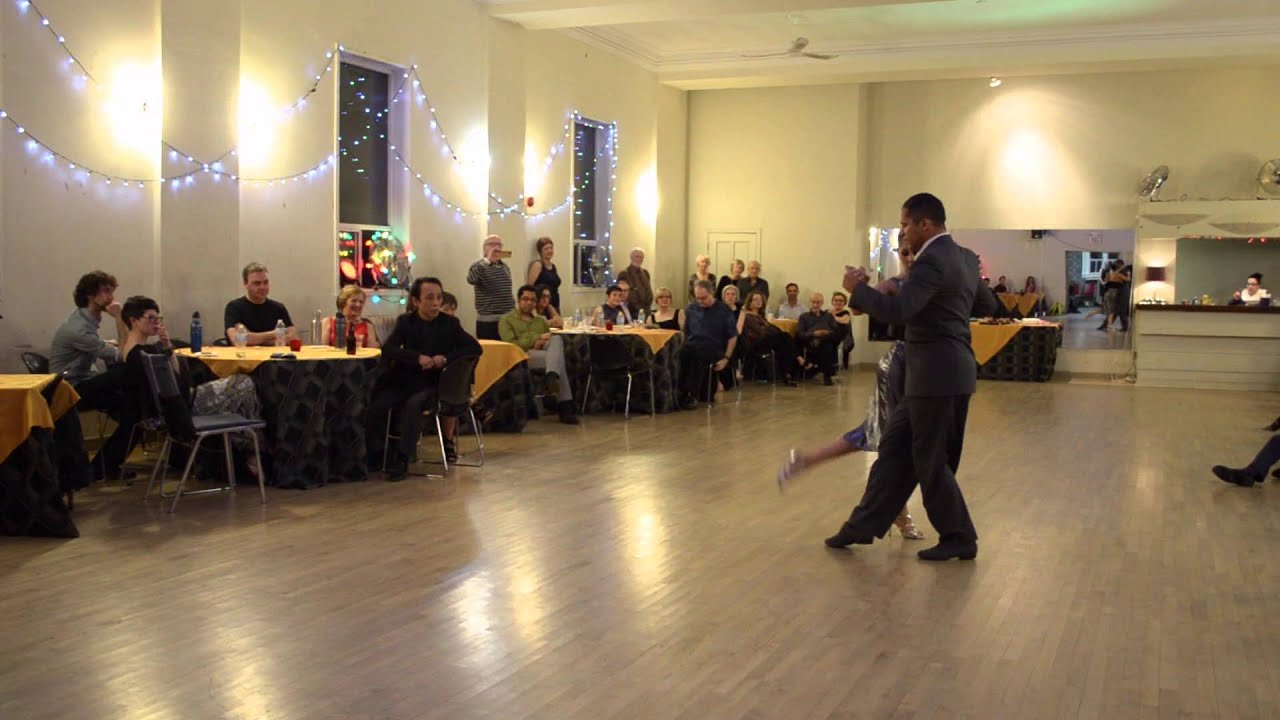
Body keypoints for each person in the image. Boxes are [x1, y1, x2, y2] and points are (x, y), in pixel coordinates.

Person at [825, 192, 992, 562]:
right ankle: (862, 525)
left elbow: (900, 310)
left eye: (904, 225)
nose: (902, 232)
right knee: (894, 448)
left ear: (924, 224)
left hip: (937, 375)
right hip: (943, 373)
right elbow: (987, 304)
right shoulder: (964, 257)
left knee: (931, 460)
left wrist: (858, 290)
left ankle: (959, 536)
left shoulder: (932, 260)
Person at [778, 339, 924, 540]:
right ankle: (898, 514)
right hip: (905, 360)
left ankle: (806, 460)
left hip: (921, 359)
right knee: (890, 436)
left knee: (878, 434)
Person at [119, 296, 263, 478]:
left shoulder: (136, 350)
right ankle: (254, 451)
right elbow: (178, 382)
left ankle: (246, 454)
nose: (156, 323)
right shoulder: (144, 354)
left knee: (241, 393)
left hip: (177, 405)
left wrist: (167, 347)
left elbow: (176, 377)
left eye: (158, 318)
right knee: (245, 382)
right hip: (183, 408)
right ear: (133, 321)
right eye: (151, 318)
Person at [368, 277, 482, 480]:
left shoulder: (450, 324)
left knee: (414, 405)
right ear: (416, 301)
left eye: (438, 297)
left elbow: (474, 347)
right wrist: (416, 358)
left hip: (433, 384)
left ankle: (404, 458)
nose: (436, 303)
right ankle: (379, 454)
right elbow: (389, 348)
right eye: (429, 298)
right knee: (377, 404)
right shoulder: (406, 322)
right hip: (406, 379)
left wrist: (444, 358)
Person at [50, 270, 128, 479]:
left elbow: (104, 347)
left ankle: (103, 467)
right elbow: (123, 355)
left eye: (112, 291)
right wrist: (120, 318)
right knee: (126, 371)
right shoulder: (79, 329)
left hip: (83, 381)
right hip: (69, 390)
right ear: (90, 295)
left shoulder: (85, 321)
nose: (112, 297)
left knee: (132, 412)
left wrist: (108, 344)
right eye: (105, 291)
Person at [499, 286, 579, 424]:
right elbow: (511, 344)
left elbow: (549, 341)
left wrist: (541, 340)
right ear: (518, 300)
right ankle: (565, 407)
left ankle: (552, 375)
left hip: (542, 355)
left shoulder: (540, 321)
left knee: (557, 340)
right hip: (522, 356)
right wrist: (536, 339)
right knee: (558, 361)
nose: (529, 303)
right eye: (525, 299)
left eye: (532, 300)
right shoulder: (507, 320)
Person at [678, 280, 738, 408]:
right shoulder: (691, 309)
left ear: (712, 293)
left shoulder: (724, 311)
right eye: (697, 298)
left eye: (703, 298)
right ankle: (679, 393)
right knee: (681, 354)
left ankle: (691, 395)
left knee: (699, 354)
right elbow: (686, 332)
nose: (700, 301)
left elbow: (732, 336)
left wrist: (726, 358)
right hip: (693, 344)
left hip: (714, 347)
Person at [737, 291, 804, 386]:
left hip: (766, 340)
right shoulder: (747, 316)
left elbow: (773, 329)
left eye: (760, 299)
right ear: (750, 302)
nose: (758, 301)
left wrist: (771, 329)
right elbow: (760, 331)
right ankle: (797, 362)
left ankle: (787, 373)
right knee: (784, 337)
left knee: (785, 340)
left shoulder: (760, 316)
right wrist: (770, 329)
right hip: (756, 343)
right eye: (755, 299)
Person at [224, 263, 295, 346]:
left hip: (273, 357)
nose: (262, 287)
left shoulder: (278, 308)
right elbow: (237, 340)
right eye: (257, 283)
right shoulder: (234, 307)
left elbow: (292, 338)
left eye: (265, 282)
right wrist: (276, 334)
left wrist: (253, 339)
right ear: (245, 284)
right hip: (244, 357)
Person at [466, 235, 515, 340]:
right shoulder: (478, 266)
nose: (496, 248)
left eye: (499, 245)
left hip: (507, 320)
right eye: (492, 244)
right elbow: (471, 279)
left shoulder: (504, 267)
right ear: (485, 248)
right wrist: (488, 260)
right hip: (488, 322)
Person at [797, 292, 838, 386]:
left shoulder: (828, 316)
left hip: (826, 340)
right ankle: (826, 374)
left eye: (818, 302)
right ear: (810, 302)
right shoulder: (804, 317)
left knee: (827, 342)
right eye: (813, 302)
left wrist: (827, 332)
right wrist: (813, 333)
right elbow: (800, 334)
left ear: (822, 303)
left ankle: (826, 375)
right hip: (810, 342)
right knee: (825, 343)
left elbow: (835, 331)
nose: (815, 305)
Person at [526, 237, 562, 312]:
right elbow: (529, 287)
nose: (549, 251)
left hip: (554, 305)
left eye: (551, 248)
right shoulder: (537, 265)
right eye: (546, 249)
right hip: (542, 307)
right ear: (540, 252)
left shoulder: (553, 266)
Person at [617, 247, 654, 317]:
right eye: (636, 256)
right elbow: (620, 293)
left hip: (646, 309)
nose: (638, 259)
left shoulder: (645, 273)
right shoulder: (624, 273)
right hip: (631, 310)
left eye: (641, 257)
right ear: (631, 258)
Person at [830, 291, 854, 370]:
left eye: (841, 301)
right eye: (836, 300)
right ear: (832, 301)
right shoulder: (828, 312)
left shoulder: (846, 313)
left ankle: (834, 366)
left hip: (843, 338)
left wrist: (832, 316)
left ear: (844, 303)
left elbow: (844, 320)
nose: (838, 302)